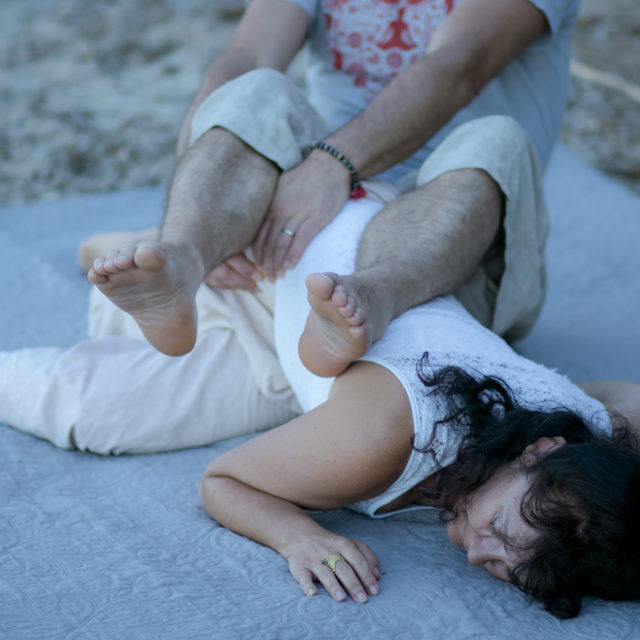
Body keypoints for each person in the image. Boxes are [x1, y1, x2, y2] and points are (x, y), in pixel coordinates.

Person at [84, 0, 577, 379]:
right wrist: (194, 211)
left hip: (451, 245)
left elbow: (460, 65)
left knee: (496, 141)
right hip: (305, 216)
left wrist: (333, 163)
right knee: (254, 90)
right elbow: (245, 59)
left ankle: (368, 300)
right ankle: (183, 262)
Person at [198, 197, 640, 619]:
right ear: (538, 450)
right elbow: (223, 480)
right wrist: (300, 538)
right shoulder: (371, 444)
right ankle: (200, 254)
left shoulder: (584, 434)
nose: (474, 554)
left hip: (378, 276)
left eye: (505, 567)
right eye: (496, 526)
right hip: (311, 233)